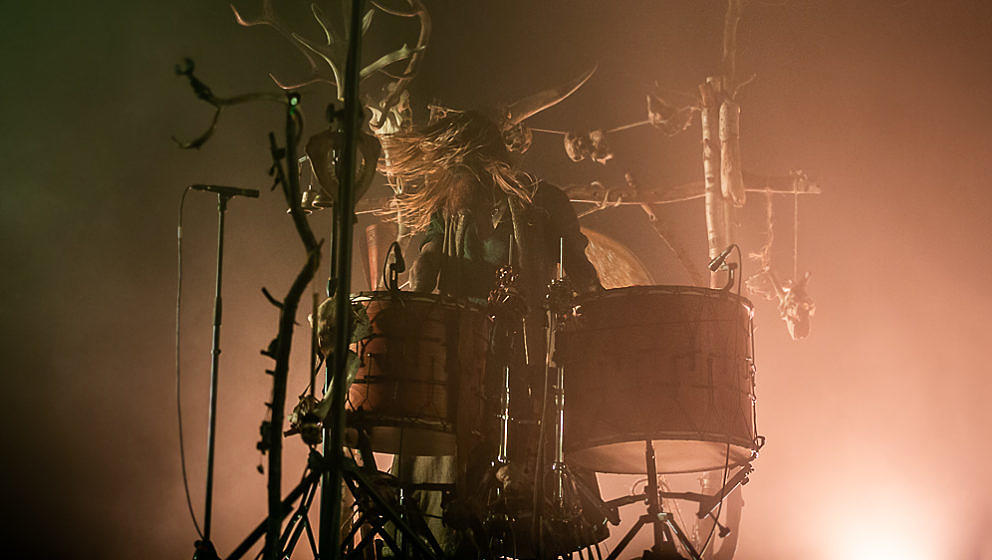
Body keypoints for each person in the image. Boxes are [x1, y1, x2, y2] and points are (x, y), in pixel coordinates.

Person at [379, 109, 606, 556]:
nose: (455, 174)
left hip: (526, 362)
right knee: (447, 477)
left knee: (527, 483)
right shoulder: (447, 208)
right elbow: (426, 262)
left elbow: (580, 267)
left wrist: (599, 305)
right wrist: (406, 303)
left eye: (459, 165)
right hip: (460, 361)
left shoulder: (544, 200)